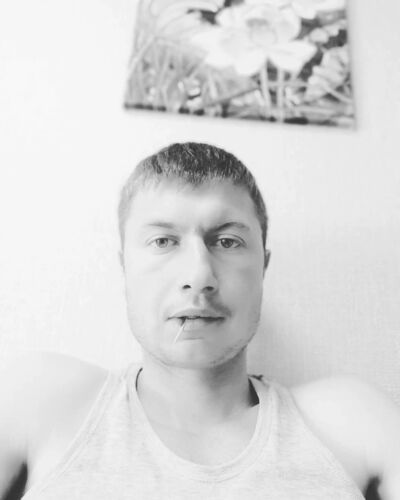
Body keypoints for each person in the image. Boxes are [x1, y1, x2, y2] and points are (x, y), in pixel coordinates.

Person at [1, 142, 399, 500]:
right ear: (125, 267)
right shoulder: (41, 400)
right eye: (163, 241)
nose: (199, 275)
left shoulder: (352, 422)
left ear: (263, 266)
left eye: (227, 241)